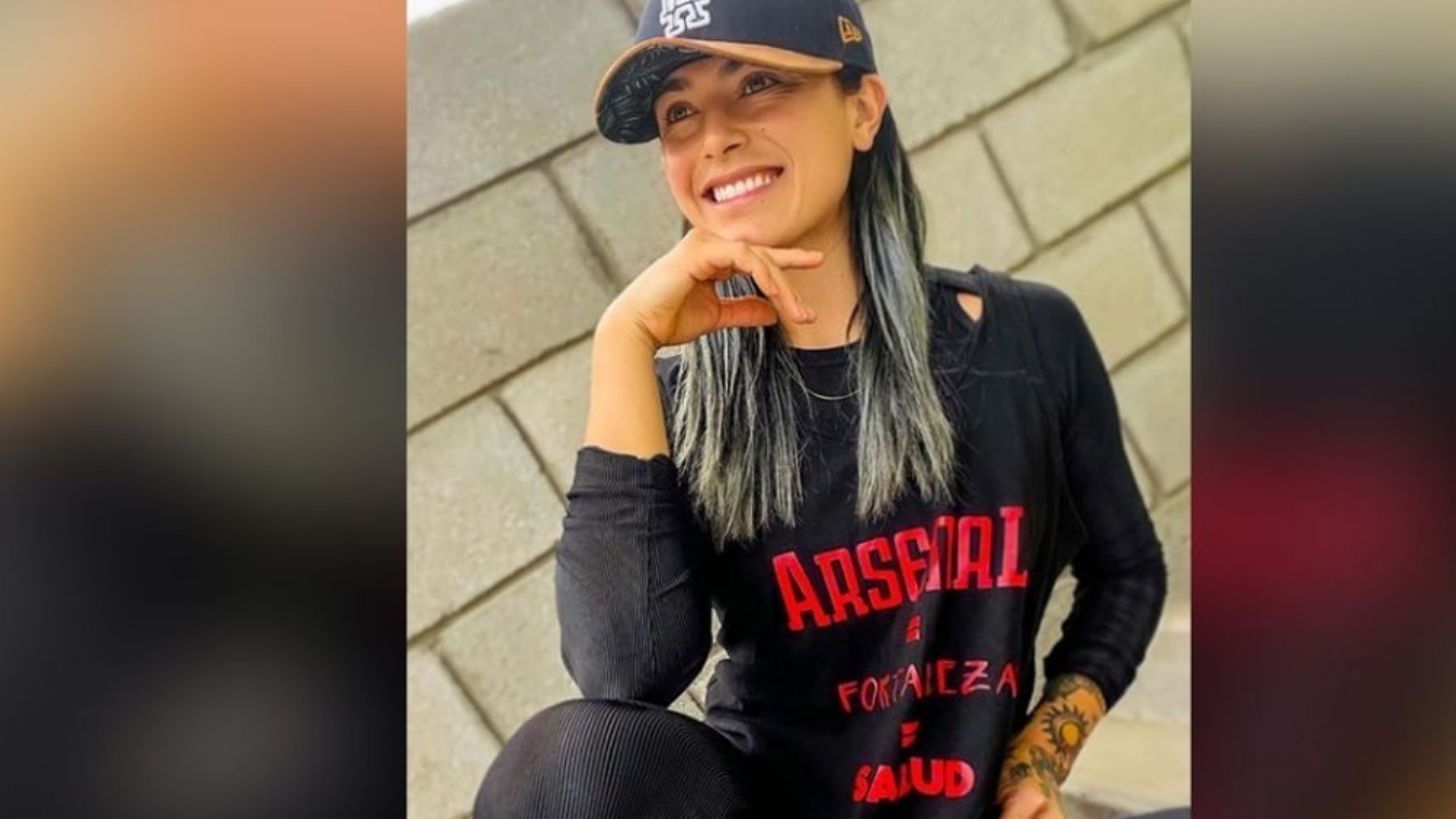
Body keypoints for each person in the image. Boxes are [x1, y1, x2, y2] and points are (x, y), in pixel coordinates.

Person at [474, 1, 1176, 817]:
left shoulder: (1029, 339)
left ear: (863, 109)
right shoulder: (675, 406)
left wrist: (1040, 756)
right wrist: (622, 342)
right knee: (561, 761)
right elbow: (622, 678)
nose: (714, 137)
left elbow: (1127, 573)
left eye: (756, 84)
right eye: (678, 114)